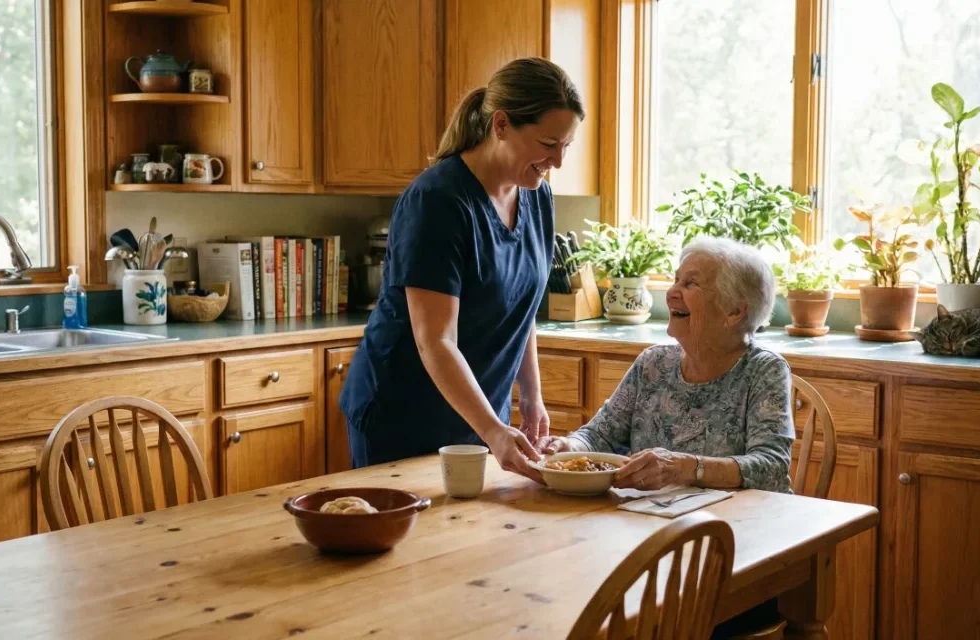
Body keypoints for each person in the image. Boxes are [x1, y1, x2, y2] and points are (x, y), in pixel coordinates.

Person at [339, 57, 583, 480]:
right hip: (404, 413)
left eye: (567, 145)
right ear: (502, 125)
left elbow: (520, 308)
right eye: (548, 144)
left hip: (481, 412)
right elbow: (436, 341)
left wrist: (532, 395)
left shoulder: (537, 196)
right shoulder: (438, 201)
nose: (558, 161)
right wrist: (493, 429)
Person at [537, 236, 795, 494]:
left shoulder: (764, 371)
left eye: (691, 283)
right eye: (676, 280)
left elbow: (771, 468)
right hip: (653, 520)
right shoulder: (653, 364)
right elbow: (597, 436)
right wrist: (567, 448)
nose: (672, 293)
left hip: (734, 526)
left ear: (734, 312)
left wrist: (683, 468)